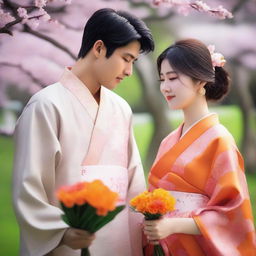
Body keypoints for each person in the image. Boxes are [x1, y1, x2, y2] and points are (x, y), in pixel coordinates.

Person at [12, 8, 154, 256]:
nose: (129, 71)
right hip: (70, 242)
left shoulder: (121, 109)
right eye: (126, 58)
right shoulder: (46, 106)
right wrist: (62, 230)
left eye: (133, 62)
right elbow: (29, 188)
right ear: (99, 48)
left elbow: (134, 181)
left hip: (121, 240)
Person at [143, 39, 256, 255]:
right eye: (162, 79)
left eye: (173, 78)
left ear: (201, 82)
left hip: (195, 245)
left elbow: (231, 212)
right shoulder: (168, 140)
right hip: (163, 244)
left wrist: (173, 224)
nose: (165, 87)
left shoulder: (219, 140)